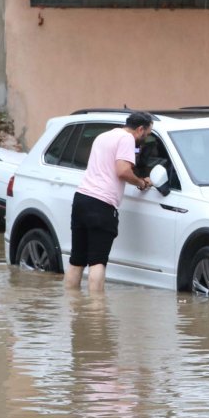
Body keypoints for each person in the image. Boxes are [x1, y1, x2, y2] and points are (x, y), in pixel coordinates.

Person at [64, 111, 155, 292]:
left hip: (81, 199)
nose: (146, 138)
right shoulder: (127, 139)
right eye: (147, 134)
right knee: (97, 261)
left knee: (77, 260)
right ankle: (97, 315)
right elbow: (122, 171)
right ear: (140, 129)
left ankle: (73, 310)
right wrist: (141, 183)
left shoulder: (103, 136)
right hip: (101, 204)